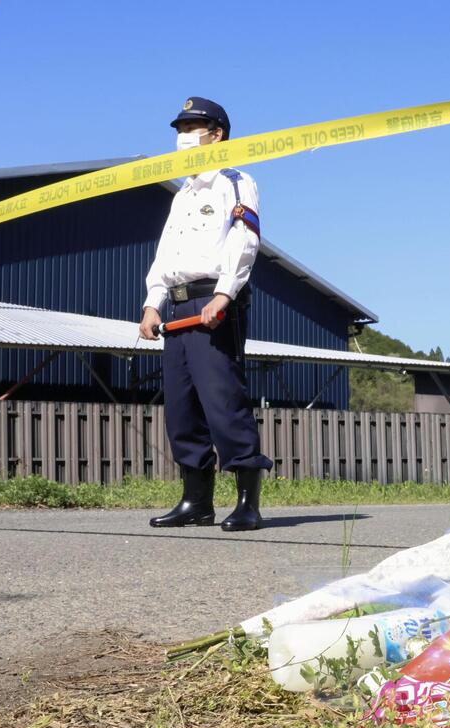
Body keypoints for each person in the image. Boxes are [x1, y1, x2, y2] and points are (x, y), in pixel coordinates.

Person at [139, 96, 271, 532]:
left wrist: (224, 293)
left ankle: (247, 503)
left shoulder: (234, 181)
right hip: (176, 305)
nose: (183, 136)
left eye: (192, 127)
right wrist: (152, 302)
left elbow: (245, 239)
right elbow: (165, 254)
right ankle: (196, 501)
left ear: (217, 135)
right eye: (179, 128)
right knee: (181, 408)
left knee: (222, 402)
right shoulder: (184, 194)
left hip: (212, 303)